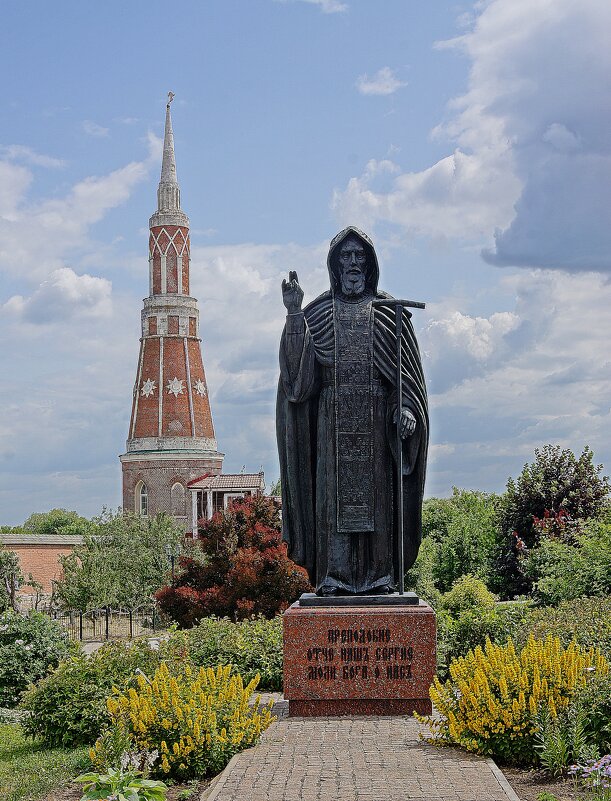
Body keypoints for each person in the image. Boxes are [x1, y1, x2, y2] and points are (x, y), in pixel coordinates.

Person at [276, 226, 428, 596]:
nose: (353, 263)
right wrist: (294, 315)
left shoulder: (389, 312)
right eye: (346, 256)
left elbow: (406, 378)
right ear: (335, 265)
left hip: (377, 426)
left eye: (360, 256)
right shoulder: (317, 313)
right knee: (332, 500)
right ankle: (335, 576)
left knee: (377, 500)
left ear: (370, 264)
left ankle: (380, 576)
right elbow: (297, 384)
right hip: (331, 424)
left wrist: (405, 408)